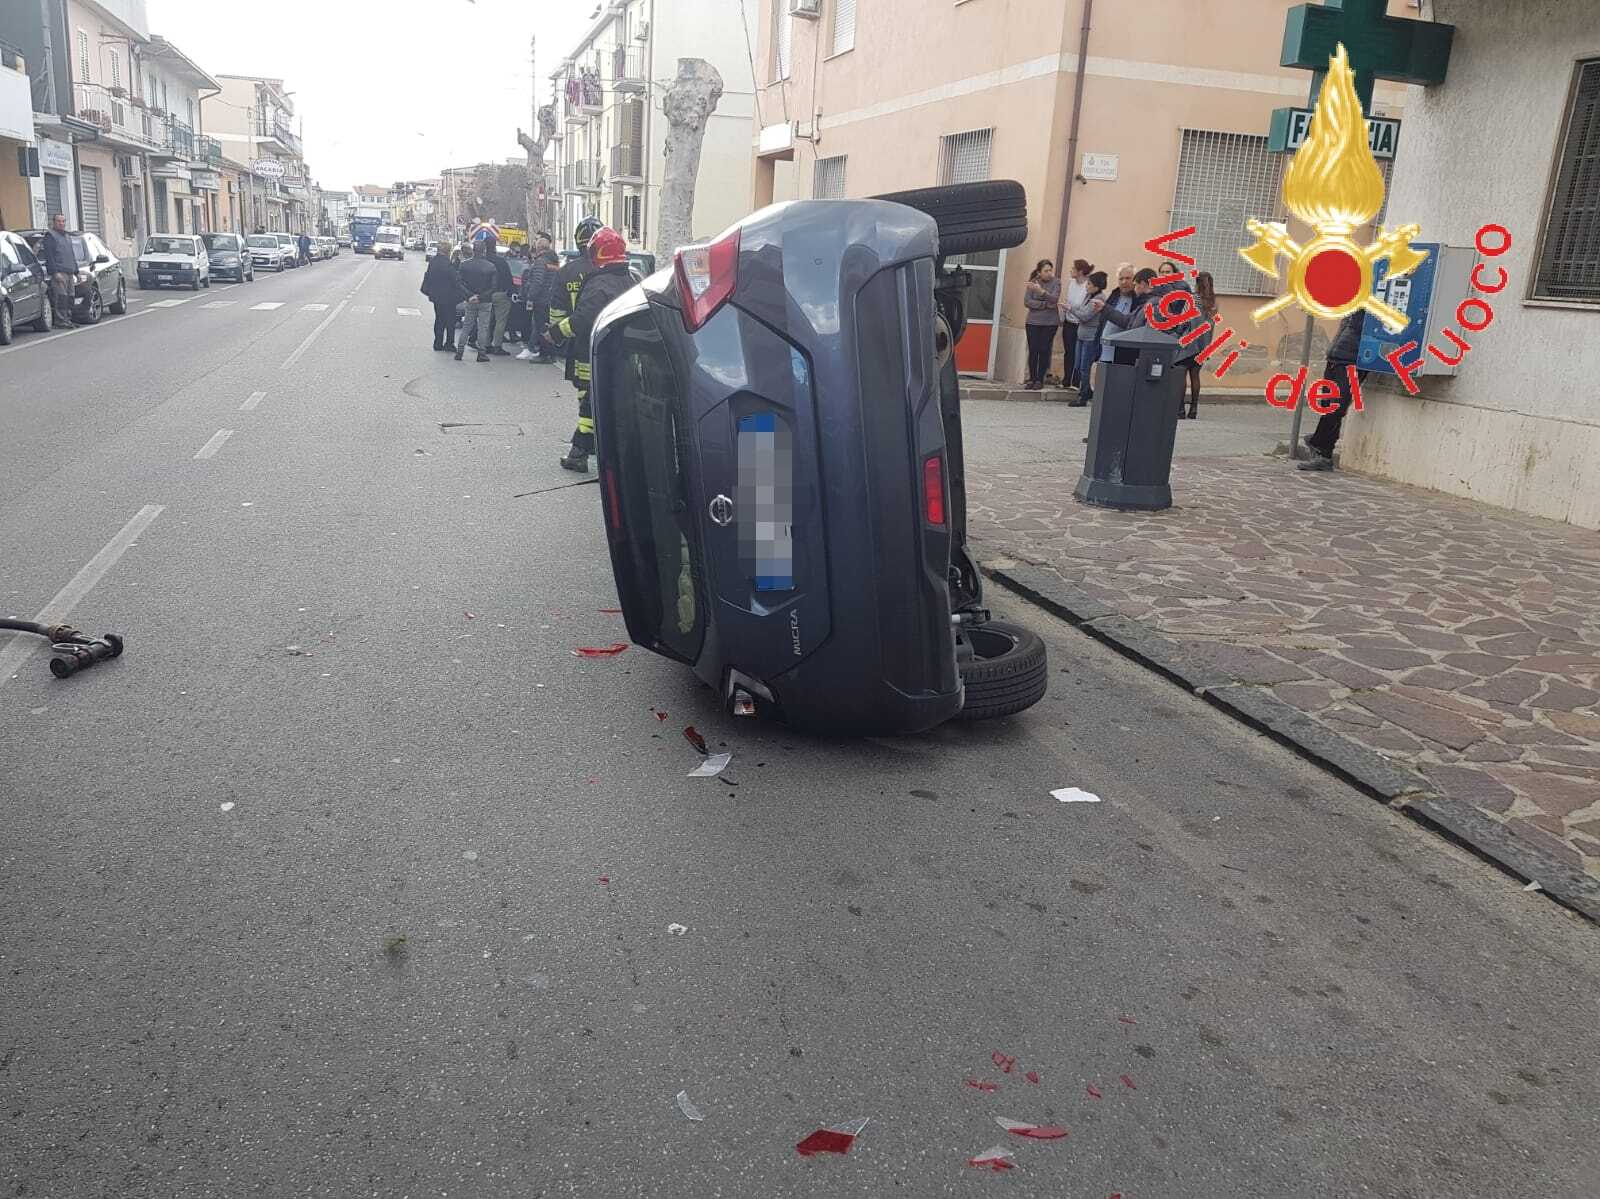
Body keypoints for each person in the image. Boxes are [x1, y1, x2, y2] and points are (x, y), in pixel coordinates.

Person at [553, 226, 633, 473]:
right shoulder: (629, 280)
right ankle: (591, 451)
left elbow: (584, 318)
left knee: (590, 403)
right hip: (619, 353)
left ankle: (582, 452)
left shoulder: (598, 283)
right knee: (593, 402)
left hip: (592, 352)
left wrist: (556, 332)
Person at [1298, 308, 1366, 472]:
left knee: (1336, 407)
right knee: (1327, 404)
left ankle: (1323, 452)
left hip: (1352, 361)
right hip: (1336, 357)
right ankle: (1318, 441)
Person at [550, 216, 602, 389]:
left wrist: (557, 334)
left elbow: (557, 310)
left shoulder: (565, 272)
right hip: (610, 340)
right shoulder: (612, 271)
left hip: (578, 340)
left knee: (585, 393)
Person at [1155, 261, 1205, 420]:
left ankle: (1180, 409)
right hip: (1199, 340)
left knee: (1181, 373)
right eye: (1162, 272)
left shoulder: (1182, 289)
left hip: (1183, 337)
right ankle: (1192, 408)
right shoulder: (1205, 299)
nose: (1164, 275)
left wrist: (1176, 331)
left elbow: (1184, 316)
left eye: (1168, 271)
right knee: (1193, 374)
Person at [1064, 269, 1107, 408]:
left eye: (1089, 284)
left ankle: (1083, 395)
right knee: (1078, 365)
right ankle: (1086, 390)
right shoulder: (1088, 296)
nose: (1087, 286)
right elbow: (1081, 311)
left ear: (1096, 286)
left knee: (1084, 367)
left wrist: (1070, 309)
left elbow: (1085, 316)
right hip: (1081, 334)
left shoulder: (1098, 299)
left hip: (1090, 337)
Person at [517, 231, 561, 363]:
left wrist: (530, 296)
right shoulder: (554, 261)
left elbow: (537, 281)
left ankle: (544, 354)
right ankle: (550, 354)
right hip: (552, 298)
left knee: (541, 327)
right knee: (548, 326)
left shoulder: (540, 262)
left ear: (539, 248)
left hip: (541, 300)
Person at [453, 240, 498, 363]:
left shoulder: (464, 265)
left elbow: (459, 283)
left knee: (467, 325)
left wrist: (470, 295)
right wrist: (481, 297)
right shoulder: (491, 266)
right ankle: (481, 353)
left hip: (470, 300)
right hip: (485, 301)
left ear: (473, 250)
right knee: (483, 327)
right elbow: (494, 287)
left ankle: (460, 351)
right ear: (484, 251)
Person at [421, 238, 466, 352]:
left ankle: (437, 343)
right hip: (448, 297)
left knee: (439, 319)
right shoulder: (447, 264)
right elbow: (455, 280)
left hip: (436, 296)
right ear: (448, 251)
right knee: (450, 321)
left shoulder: (433, 262)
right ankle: (449, 343)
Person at [1022, 260, 1061, 390]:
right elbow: (1027, 302)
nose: (1049, 273)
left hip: (1050, 323)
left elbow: (1054, 300)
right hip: (1033, 322)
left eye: (1050, 270)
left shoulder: (1056, 282)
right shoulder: (1033, 282)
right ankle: (1032, 378)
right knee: (1033, 349)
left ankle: (1040, 379)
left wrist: (1041, 292)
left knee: (1044, 349)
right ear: (1039, 272)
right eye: (1046, 271)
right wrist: (1044, 304)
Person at [40, 213, 78, 326]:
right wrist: (55, 273)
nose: (61, 223)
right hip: (60, 273)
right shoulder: (50, 236)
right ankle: (60, 320)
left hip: (70, 273)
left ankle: (68, 319)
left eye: (63, 221)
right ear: (53, 222)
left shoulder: (67, 236)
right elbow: (49, 256)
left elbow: (71, 254)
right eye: (58, 221)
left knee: (70, 298)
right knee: (61, 297)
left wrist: (76, 271)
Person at [1060, 259, 1092, 390]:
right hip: (1069, 321)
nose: (1070, 271)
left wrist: (1072, 309)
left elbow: (1083, 306)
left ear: (1080, 271)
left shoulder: (1088, 285)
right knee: (1068, 352)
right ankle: (1066, 380)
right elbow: (1068, 300)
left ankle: (1076, 381)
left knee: (1078, 353)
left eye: (1073, 268)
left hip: (1080, 323)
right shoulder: (1071, 283)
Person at [486, 239, 515, 355]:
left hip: (486, 295)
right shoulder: (501, 262)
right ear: (494, 247)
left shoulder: (483, 261)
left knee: (487, 320)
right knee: (500, 321)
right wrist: (511, 292)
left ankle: (486, 344)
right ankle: (497, 346)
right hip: (500, 294)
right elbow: (509, 278)